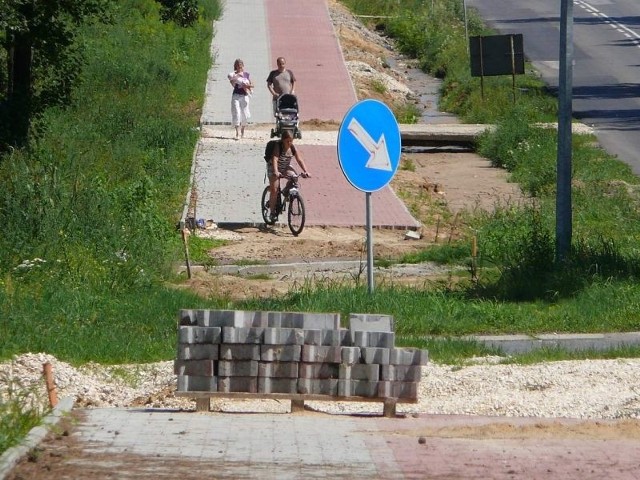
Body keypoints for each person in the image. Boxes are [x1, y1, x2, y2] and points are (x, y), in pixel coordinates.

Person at [267, 130, 310, 223]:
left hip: (285, 167)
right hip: (273, 168)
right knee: (274, 189)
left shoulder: (293, 148)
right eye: (288, 141)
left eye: (291, 141)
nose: (290, 143)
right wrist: (275, 171)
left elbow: (299, 160)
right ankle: (272, 213)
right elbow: (275, 159)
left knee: (295, 177)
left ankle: (286, 190)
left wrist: (305, 171)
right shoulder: (278, 147)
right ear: (283, 140)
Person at [228, 58, 253, 139]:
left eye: (241, 66)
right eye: (238, 66)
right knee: (237, 112)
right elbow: (232, 82)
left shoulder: (246, 74)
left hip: (244, 96)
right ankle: (237, 132)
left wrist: (249, 86)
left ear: (243, 66)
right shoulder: (233, 75)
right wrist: (237, 78)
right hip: (236, 95)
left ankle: (243, 129)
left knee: (245, 114)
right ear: (235, 67)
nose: (240, 68)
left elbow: (251, 84)